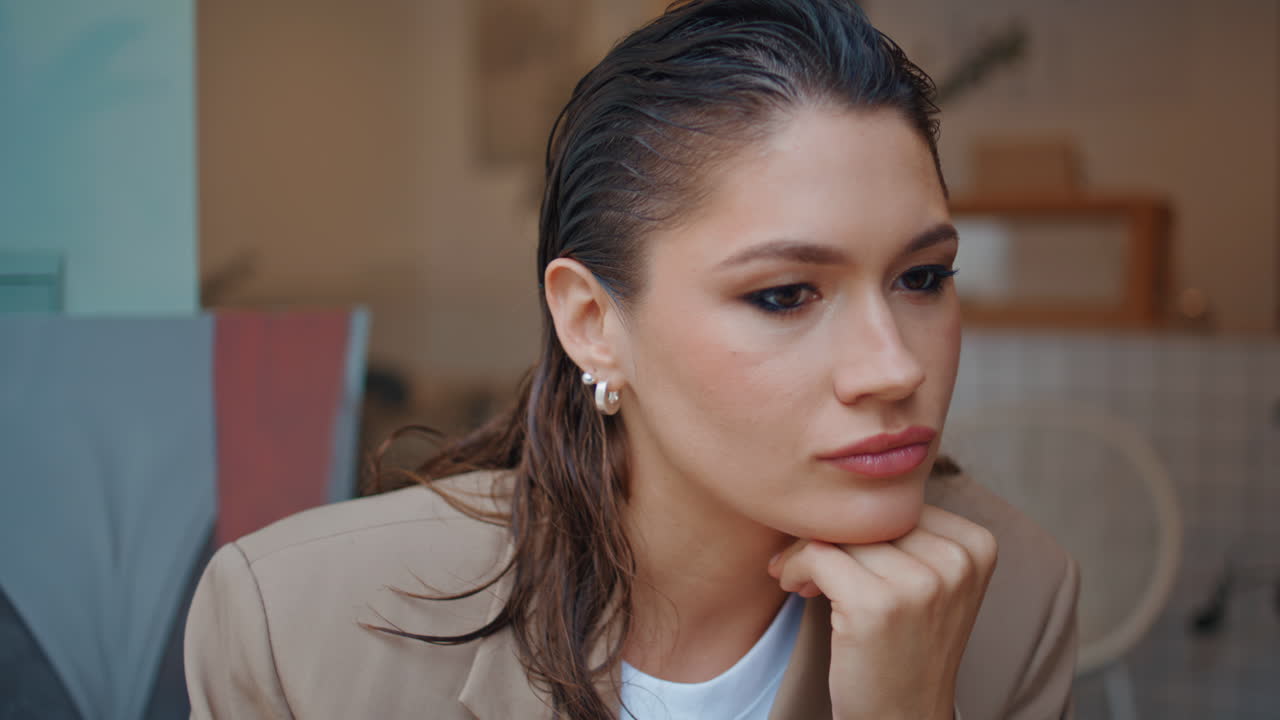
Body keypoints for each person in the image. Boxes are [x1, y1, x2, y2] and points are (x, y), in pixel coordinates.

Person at [184, 1, 1079, 718]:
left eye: (924, 277)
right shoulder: (301, 626)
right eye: (784, 295)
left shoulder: (1015, 600)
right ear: (592, 322)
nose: (893, 368)